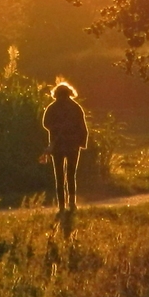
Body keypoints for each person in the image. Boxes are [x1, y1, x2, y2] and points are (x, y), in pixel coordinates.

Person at [42, 81, 89, 212]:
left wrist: (55, 129)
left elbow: (45, 123)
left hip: (57, 145)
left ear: (56, 94)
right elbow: (83, 127)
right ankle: (72, 203)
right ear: (69, 93)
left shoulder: (52, 107)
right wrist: (82, 143)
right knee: (71, 174)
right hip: (73, 145)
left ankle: (61, 205)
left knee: (59, 176)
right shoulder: (76, 107)